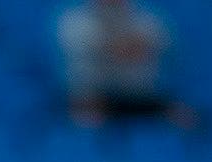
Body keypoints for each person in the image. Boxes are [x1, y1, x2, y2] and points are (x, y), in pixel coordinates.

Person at [57, 0, 194, 128]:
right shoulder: (74, 21)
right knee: (85, 116)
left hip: (142, 96)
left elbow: (159, 46)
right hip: (95, 97)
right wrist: (122, 48)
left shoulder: (147, 20)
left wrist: (124, 49)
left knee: (184, 117)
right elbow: (116, 51)